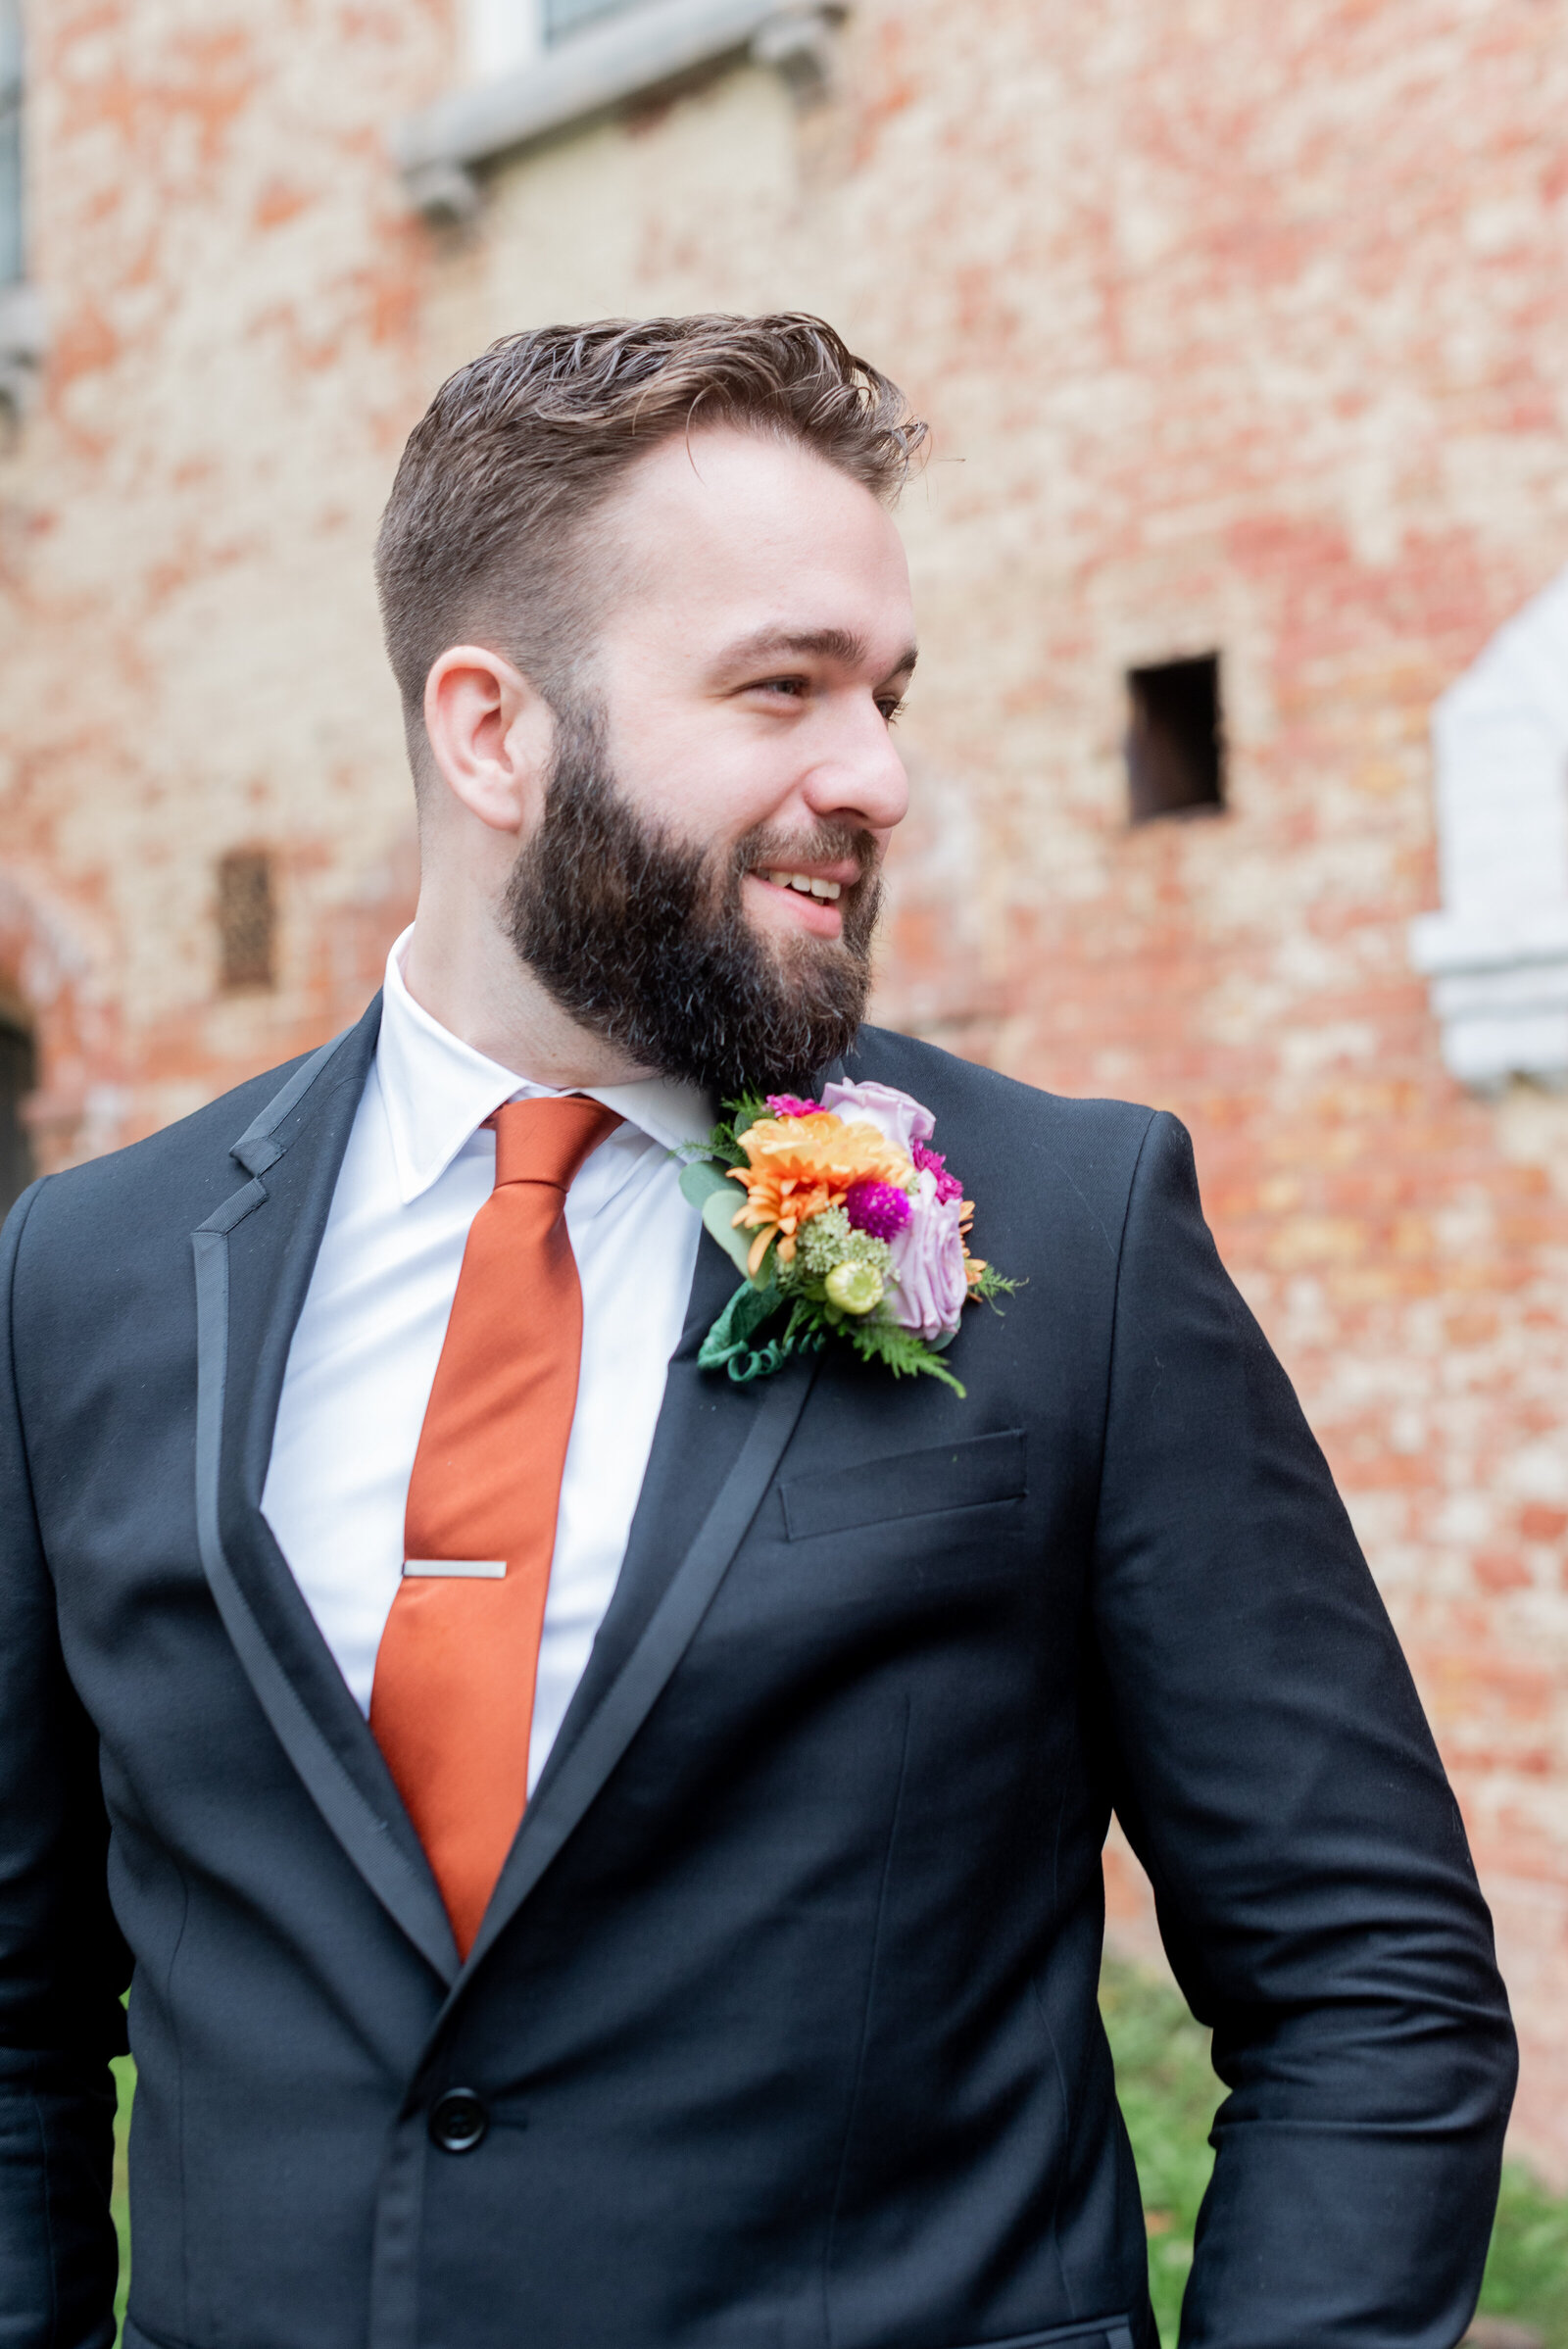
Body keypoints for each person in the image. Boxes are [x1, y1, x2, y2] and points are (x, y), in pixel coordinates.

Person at [0, 314, 1514, 2349]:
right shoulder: (87, 1268)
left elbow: (1367, 1982)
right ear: (489, 730)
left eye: (884, 693)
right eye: (778, 687)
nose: (872, 775)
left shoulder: (1078, 1224)